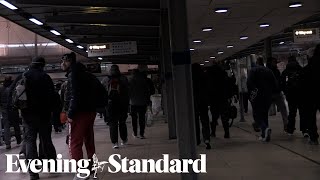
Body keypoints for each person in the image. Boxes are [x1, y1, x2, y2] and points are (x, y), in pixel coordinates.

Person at [61, 52, 98, 179]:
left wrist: (70, 113)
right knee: (89, 141)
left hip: (79, 113)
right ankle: (93, 168)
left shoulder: (73, 75)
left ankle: (81, 172)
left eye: (65, 61)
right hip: (90, 112)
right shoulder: (87, 74)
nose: (62, 64)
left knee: (74, 143)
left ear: (70, 61)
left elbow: (74, 95)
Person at [19, 57, 57, 180]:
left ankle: (33, 173)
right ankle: (51, 165)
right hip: (44, 115)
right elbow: (54, 96)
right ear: (42, 65)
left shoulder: (24, 76)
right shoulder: (45, 77)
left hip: (28, 116)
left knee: (30, 142)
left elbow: (15, 96)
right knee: (46, 140)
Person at [247, 57, 277, 142]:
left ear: (257, 62)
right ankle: (265, 135)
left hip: (257, 95)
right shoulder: (269, 71)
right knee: (264, 114)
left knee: (257, 115)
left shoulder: (253, 71)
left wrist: (251, 94)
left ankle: (265, 128)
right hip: (267, 96)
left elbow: (249, 83)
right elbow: (274, 83)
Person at [102, 65, 129, 149]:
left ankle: (115, 143)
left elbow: (102, 92)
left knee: (112, 124)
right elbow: (128, 91)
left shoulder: (105, 80)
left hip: (110, 105)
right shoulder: (123, 79)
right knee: (122, 122)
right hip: (122, 104)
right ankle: (124, 139)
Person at [300, 44, 320, 145]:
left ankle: (313, 138)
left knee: (311, 117)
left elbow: (303, 85)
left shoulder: (307, 69)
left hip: (310, 97)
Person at [280, 56, 304, 136]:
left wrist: (286, 92)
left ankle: (290, 130)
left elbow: (281, 84)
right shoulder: (301, 69)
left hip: (290, 95)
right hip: (301, 94)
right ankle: (304, 130)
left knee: (292, 113)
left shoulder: (285, 71)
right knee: (302, 112)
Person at [207, 62, 231, 139]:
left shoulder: (210, 75)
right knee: (224, 117)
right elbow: (227, 86)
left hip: (214, 99)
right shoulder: (223, 74)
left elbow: (209, 88)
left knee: (214, 117)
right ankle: (226, 133)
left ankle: (213, 132)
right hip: (223, 98)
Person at [266, 57, 289, 132]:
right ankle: (263, 125)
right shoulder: (270, 71)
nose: (275, 63)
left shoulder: (275, 71)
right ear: (270, 63)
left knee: (283, 109)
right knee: (282, 109)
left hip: (275, 93)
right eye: (274, 62)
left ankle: (286, 124)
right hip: (271, 93)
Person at [192, 63, 211, 149]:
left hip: (194, 101)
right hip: (203, 101)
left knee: (195, 121)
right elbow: (208, 88)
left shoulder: (190, 77)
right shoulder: (205, 76)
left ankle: (196, 139)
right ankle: (206, 138)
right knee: (205, 120)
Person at [0, 76, 22, 149]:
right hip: (13, 108)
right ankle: (19, 140)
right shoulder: (13, 89)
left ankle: (7, 143)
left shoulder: (1, 89)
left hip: (4, 109)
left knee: (6, 126)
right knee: (16, 124)